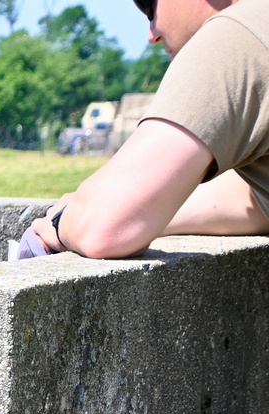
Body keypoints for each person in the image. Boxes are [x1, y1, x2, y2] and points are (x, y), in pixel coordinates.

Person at [24, 0, 269, 260]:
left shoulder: (237, 34)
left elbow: (104, 226)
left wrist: (59, 223)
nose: (152, 34)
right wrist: (149, 208)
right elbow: (252, 199)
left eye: (150, 7)